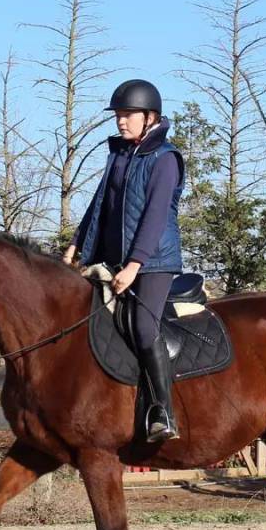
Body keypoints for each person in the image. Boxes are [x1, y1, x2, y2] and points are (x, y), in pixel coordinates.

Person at [63, 79, 185, 442]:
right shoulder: (118, 155)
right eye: (118, 115)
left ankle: (163, 411)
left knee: (145, 329)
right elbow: (99, 203)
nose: (120, 121)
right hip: (114, 260)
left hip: (155, 262)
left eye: (128, 114)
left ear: (151, 117)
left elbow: (156, 215)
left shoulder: (165, 160)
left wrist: (135, 265)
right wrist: (75, 245)